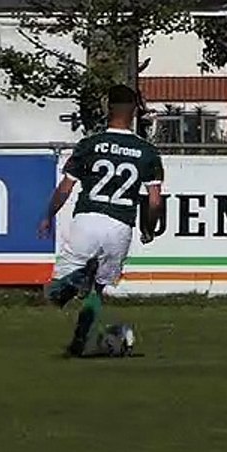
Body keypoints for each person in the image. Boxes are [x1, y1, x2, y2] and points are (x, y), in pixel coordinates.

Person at [39, 84, 165, 357]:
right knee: (98, 289)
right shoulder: (147, 151)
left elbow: (65, 188)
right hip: (120, 225)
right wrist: (150, 228)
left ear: (108, 109)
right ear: (133, 112)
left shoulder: (89, 144)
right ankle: (78, 343)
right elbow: (155, 201)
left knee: (52, 294)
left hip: (88, 218)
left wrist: (48, 215)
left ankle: (79, 279)